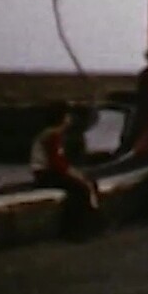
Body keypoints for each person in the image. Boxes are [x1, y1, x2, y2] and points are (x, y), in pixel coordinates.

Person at [31, 102, 102, 240]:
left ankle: (87, 226)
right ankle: (77, 230)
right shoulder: (52, 135)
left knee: (84, 185)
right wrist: (76, 175)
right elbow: (56, 163)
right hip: (46, 174)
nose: (70, 119)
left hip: (47, 173)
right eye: (68, 116)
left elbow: (59, 162)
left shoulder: (52, 134)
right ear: (62, 118)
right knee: (80, 189)